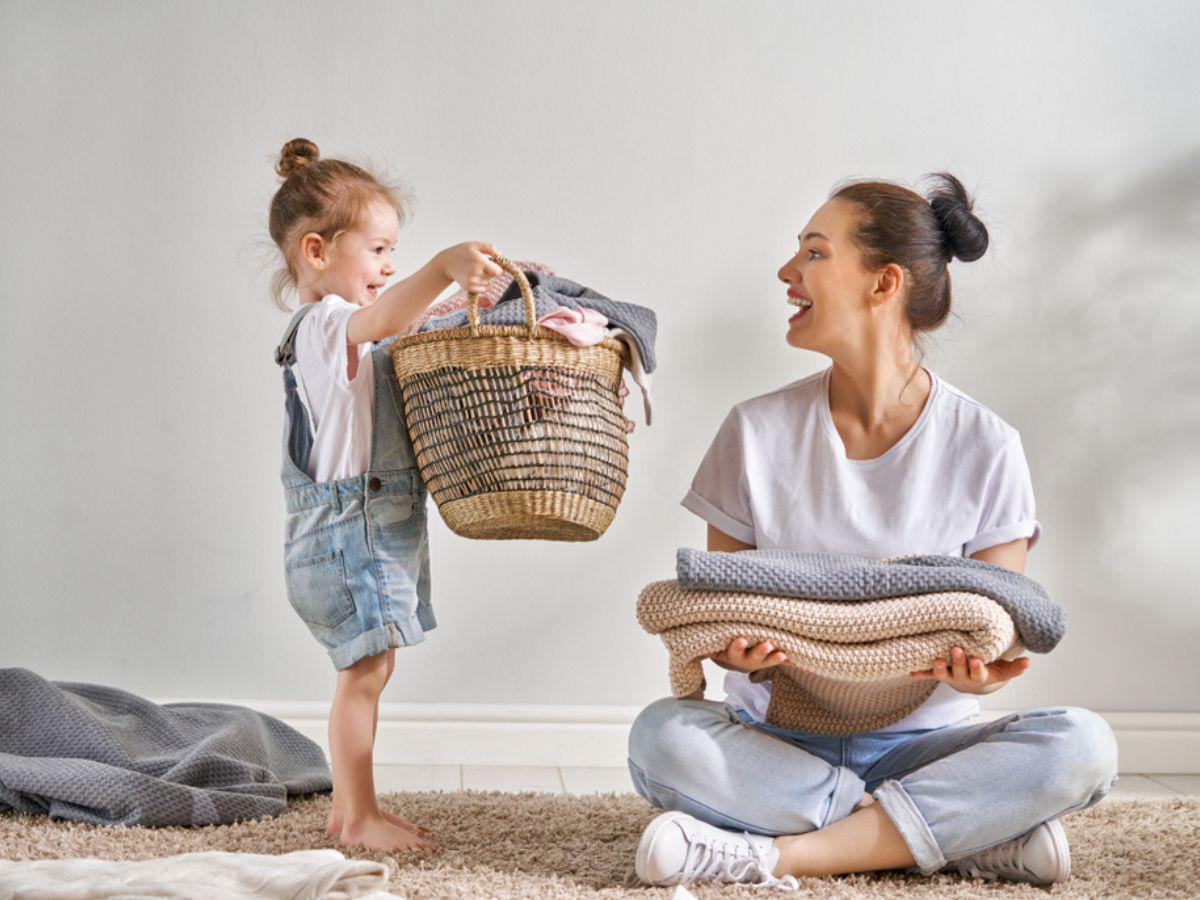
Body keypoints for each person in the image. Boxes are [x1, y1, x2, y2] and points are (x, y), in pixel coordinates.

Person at [627, 174, 1119, 889]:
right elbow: (721, 610)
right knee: (660, 738)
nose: (786, 272)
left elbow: (1004, 630)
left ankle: (776, 854)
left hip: (929, 744)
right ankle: (955, 837)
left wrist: (988, 668)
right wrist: (737, 656)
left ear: (882, 283)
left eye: (815, 253)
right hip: (780, 742)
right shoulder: (754, 431)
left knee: (1083, 746)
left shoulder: (985, 443)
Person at [266, 138, 501, 852]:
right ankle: (360, 814)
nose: (390, 264)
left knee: (371, 667)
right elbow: (389, 316)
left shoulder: (351, 340)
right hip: (345, 536)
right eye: (377, 249)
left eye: (395, 251)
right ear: (316, 251)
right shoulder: (322, 326)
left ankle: (348, 810)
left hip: (368, 528)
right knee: (363, 672)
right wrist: (439, 268)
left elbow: (399, 330)